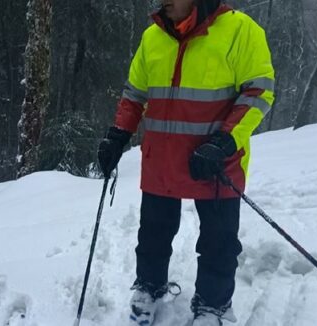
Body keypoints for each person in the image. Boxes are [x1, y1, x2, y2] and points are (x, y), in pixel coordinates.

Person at [97, 0, 275, 325]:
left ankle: (213, 306)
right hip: (161, 159)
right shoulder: (152, 36)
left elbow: (259, 92)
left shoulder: (240, 30)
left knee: (219, 241)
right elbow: (134, 94)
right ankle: (149, 287)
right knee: (153, 233)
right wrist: (117, 134)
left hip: (214, 160)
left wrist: (223, 142)